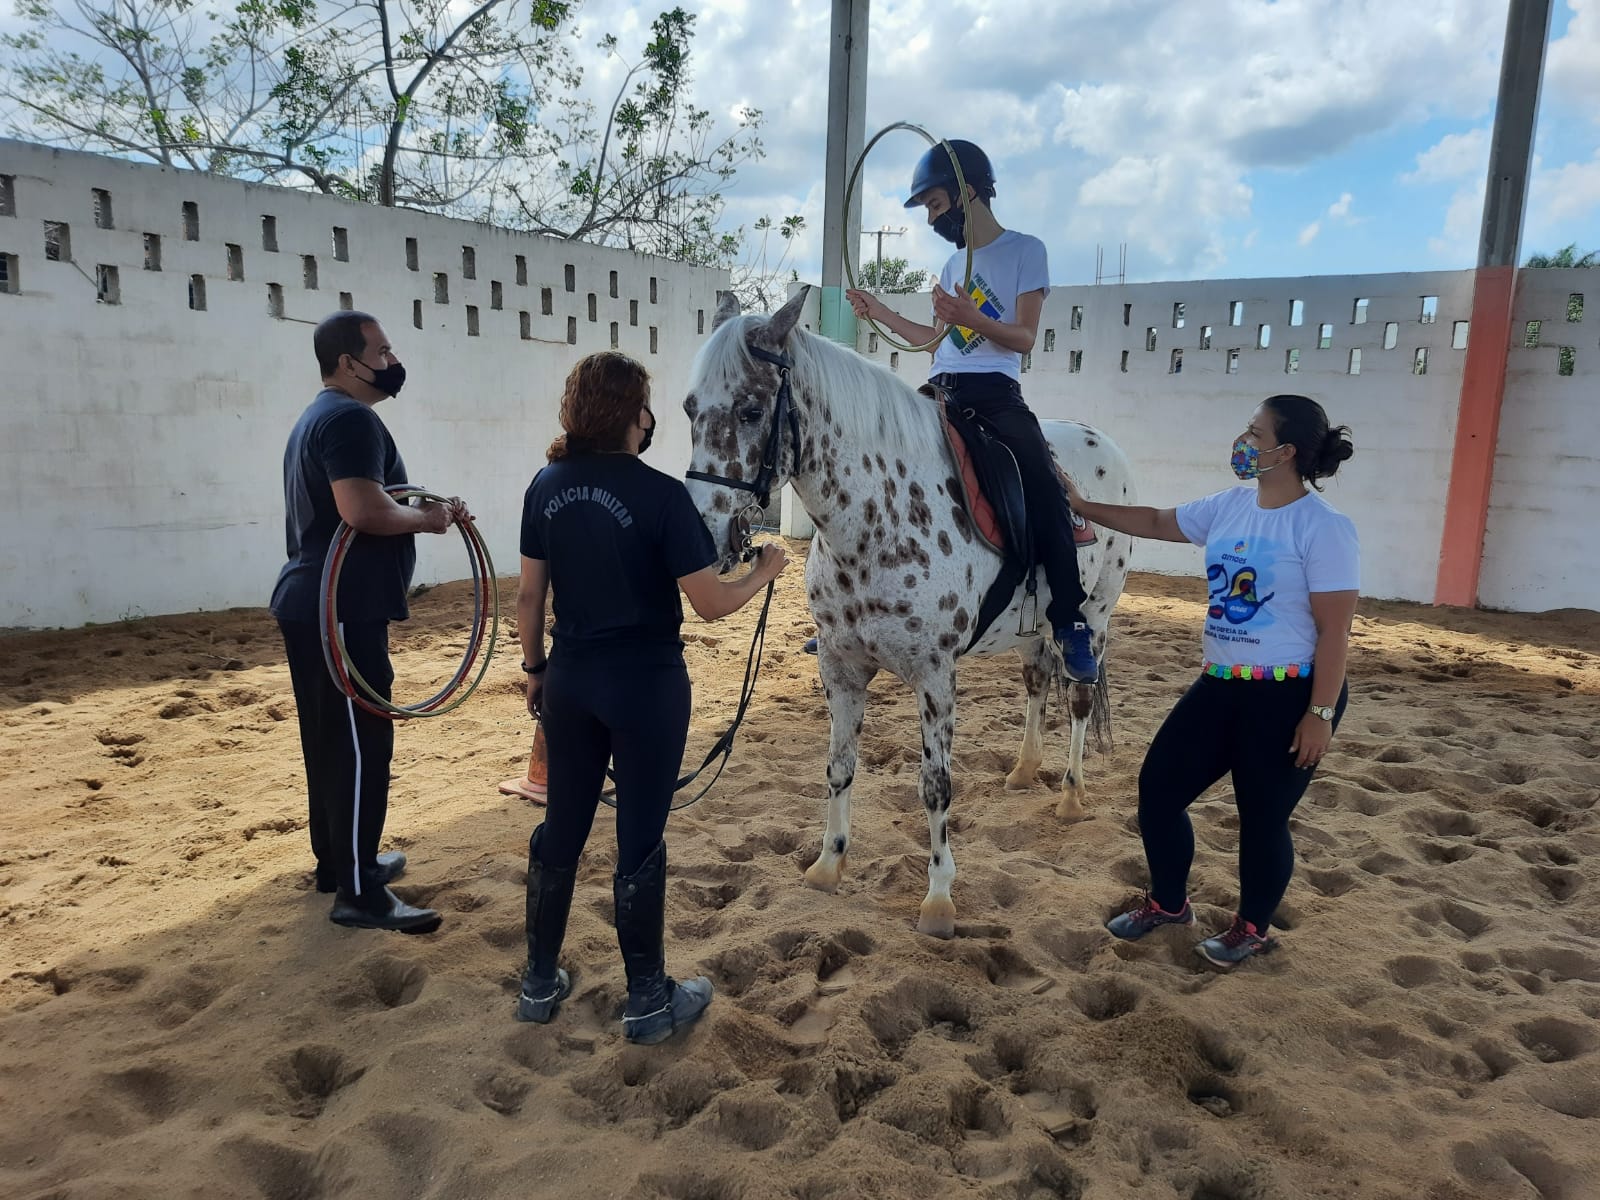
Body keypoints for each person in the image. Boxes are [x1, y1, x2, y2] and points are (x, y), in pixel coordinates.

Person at [515, 351, 789, 1043]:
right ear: (631, 414)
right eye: (645, 404)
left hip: (571, 678)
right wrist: (767, 570)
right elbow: (711, 603)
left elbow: (528, 594)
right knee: (638, 837)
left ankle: (538, 983)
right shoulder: (663, 495)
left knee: (562, 831)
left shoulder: (544, 486)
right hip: (646, 685)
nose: (649, 417)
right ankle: (646, 1000)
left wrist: (535, 667)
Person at [1066, 394, 1358, 968]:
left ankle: (1251, 928)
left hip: (1290, 693)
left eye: (1255, 433)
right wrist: (1080, 503)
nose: (1244, 442)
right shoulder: (1229, 506)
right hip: (1221, 683)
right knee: (1159, 792)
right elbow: (1154, 522)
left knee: (1262, 817)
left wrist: (1320, 714)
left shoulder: (1325, 528)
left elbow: (1334, 633)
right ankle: (1170, 904)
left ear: (1287, 451)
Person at [844, 137, 1098, 682]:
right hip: (941, 388)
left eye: (936, 205)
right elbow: (937, 343)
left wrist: (967, 312)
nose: (934, 217)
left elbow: (1023, 338)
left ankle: (1070, 618)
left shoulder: (1026, 251)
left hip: (995, 393)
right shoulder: (951, 262)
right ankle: (855, 606)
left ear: (967, 193)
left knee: (1041, 478)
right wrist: (879, 311)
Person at [271, 311, 467, 934]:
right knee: (361, 745)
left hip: (315, 604)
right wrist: (428, 521)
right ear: (348, 363)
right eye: (381, 351)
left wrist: (412, 506)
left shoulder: (319, 416)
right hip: (340, 611)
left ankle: (341, 863)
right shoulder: (352, 419)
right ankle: (357, 892)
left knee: (331, 740)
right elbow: (363, 509)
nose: (391, 360)